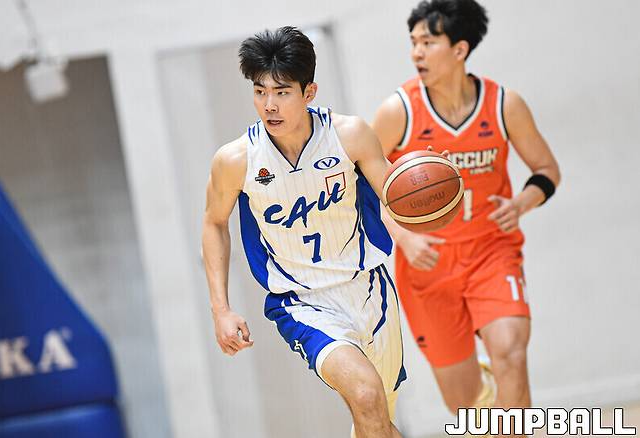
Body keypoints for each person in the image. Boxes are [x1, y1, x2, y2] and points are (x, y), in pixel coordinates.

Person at [202, 26, 408, 438]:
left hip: (370, 288)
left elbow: (397, 199)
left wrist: (426, 188)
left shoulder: (349, 135)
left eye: (281, 92)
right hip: (302, 303)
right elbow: (214, 222)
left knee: (377, 420)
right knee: (366, 396)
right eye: (260, 92)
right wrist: (220, 310)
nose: (269, 105)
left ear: (309, 93)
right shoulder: (236, 160)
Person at [371, 0, 561, 430]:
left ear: (459, 49)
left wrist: (522, 203)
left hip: (491, 251)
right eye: (413, 43)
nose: (416, 53)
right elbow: (362, 184)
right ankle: (486, 398)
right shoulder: (398, 111)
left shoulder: (504, 104)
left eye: (428, 42)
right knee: (465, 404)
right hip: (428, 266)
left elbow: (547, 170)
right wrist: (404, 236)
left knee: (511, 351)